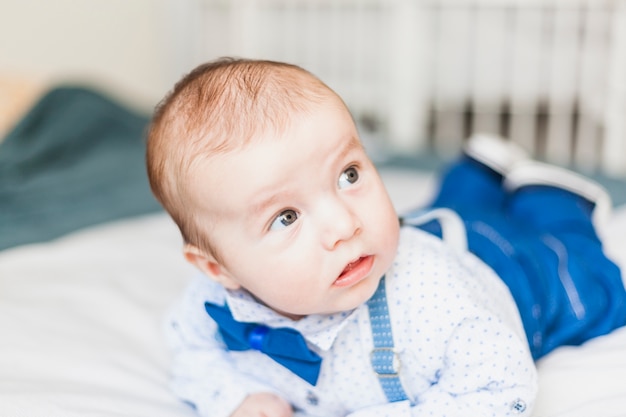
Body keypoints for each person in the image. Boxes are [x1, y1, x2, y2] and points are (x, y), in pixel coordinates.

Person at [145, 57, 626, 417]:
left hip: (502, 272)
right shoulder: (212, 307)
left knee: (590, 287)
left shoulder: (443, 301)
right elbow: (191, 351)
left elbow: (500, 388)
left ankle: (551, 195)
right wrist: (239, 397)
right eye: (286, 217)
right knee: (447, 212)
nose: (344, 224)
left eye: (349, 174)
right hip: (427, 228)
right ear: (218, 268)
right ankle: (475, 172)